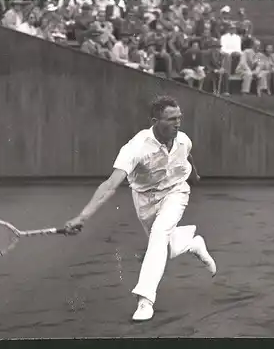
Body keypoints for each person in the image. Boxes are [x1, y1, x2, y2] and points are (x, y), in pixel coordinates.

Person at [64, 96, 217, 322]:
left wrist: (194, 175)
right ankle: (192, 243)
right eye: (171, 119)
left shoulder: (183, 139)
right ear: (155, 121)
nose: (177, 123)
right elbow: (110, 185)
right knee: (164, 247)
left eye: (179, 118)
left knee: (158, 236)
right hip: (144, 199)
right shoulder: (135, 148)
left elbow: (188, 156)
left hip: (176, 192)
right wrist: (82, 216)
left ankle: (145, 300)